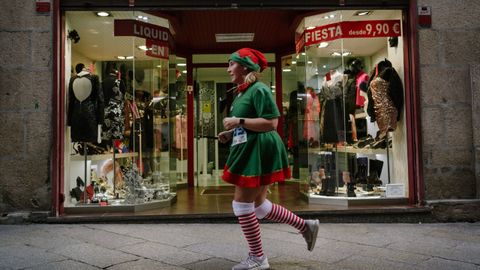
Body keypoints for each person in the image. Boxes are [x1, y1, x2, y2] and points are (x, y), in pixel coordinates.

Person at [218, 48, 320, 270]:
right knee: (259, 206)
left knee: (241, 204)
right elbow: (246, 123)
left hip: (260, 150)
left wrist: (238, 121)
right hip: (251, 147)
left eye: (231, 64)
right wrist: (231, 131)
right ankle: (306, 226)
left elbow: (271, 123)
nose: (228, 69)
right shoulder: (241, 92)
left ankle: (258, 258)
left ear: (245, 66)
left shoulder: (259, 89)